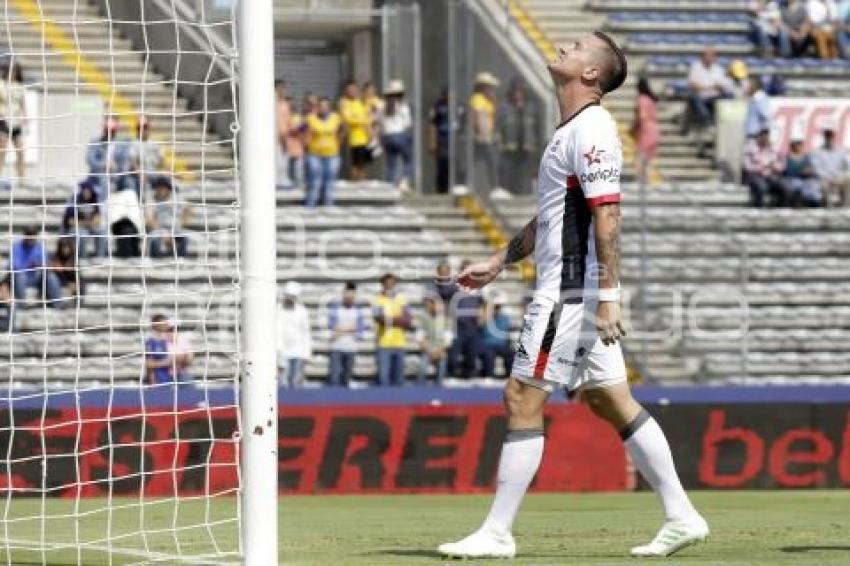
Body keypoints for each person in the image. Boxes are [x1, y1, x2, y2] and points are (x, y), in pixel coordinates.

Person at [437, 31, 707, 560]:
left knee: (521, 398)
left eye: (578, 45)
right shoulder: (572, 131)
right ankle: (682, 515)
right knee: (611, 398)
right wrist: (500, 259)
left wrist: (609, 295)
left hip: (570, 294)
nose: (565, 45)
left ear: (591, 75)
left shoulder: (593, 129)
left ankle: (496, 533)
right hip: (573, 290)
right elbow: (559, 214)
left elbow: (608, 214)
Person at [497, 80, 539, 194]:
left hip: (526, 146)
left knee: (525, 171)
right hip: (510, 146)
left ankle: (524, 192)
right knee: (510, 172)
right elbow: (499, 126)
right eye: (516, 92)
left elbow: (536, 127)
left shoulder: (531, 107)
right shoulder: (505, 107)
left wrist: (535, 143)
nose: (518, 95)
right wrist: (500, 142)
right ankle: (510, 192)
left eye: (520, 92)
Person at [447, 259, 484, 380]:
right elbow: (445, 299)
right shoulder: (454, 285)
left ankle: (468, 377)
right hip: (457, 325)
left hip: (473, 326)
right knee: (454, 354)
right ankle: (452, 375)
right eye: (465, 269)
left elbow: (483, 303)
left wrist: (482, 315)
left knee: (471, 354)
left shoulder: (478, 286)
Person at [372, 273, 411, 386]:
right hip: (384, 343)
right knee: (383, 379)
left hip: (399, 343)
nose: (390, 286)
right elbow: (378, 318)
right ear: (382, 285)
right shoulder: (378, 299)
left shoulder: (402, 299)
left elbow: (408, 320)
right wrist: (398, 319)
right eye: (387, 284)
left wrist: (389, 319)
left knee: (399, 381)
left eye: (392, 284)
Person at [9, 227, 62, 307]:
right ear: (25, 235)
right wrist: (28, 266)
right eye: (29, 235)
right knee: (20, 277)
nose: (31, 238)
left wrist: (39, 264)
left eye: (33, 235)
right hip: (20, 277)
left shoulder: (40, 247)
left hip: (36, 276)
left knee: (51, 277)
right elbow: (14, 265)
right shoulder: (16, 247)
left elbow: (46, 263)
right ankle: (21, 306)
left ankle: (58, 305)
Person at [304, 97, 342, 207]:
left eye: (326, 106)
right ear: (317, 108)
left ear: (329, 108)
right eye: (321, 106)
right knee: (315, 180)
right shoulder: (311, 118)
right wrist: (306, 141)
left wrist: (339, 141)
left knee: (330, 181)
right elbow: (302, 130)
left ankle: (328, 205)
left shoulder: (336, 118)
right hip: (315, 154)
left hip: (332, 154)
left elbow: (343, 129)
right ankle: (311, 205)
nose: (323, 108)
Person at [327, 281, 367, 387]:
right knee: (334, 378)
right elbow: (331, 327)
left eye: (351, 295)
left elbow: (360, 330)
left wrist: (342, 330)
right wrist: (349, 329)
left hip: (351, 347)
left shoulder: (358, 311)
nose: (349, 298)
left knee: (347, 377)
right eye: (347, 295)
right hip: (336, 346)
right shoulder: (336, 309)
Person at [684, 47, 730, 133]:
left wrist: (713, 87)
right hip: (701, 97)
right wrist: (711, 87)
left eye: (712, 56)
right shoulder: (696, 68)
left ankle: (728, 122)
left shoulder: (718, 69)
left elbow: (724, 85)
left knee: (729, 95)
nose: (710, 58)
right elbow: (693, 86)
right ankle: (707, 122)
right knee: (694, 97)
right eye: (708, 55)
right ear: (702, 57)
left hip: (714, 97)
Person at [276, 281, 312, 388]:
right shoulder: (277, 309)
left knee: (296, 381)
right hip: (282, 351)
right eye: (288, 296)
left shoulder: (302, 311)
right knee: (282, 382)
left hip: (298, 351)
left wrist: (307, 353)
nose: (290, 299)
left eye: (293, 297)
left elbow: (306, 332)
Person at [146, 176, 191, 258]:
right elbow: (150, 219)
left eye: (164, 186)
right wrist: (163, 233)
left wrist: (182, 223)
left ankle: (180, 260)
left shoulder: (177, 198)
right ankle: (157, 262)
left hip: (176, 229)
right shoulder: (152, 201)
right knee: (154, 240)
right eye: (159, 186)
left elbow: (188, 209)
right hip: (159, 230)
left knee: (184, 238)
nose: (162, 189)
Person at [381, 79, 413, 190]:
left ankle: (390, 187)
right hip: (400, 135)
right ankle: (404, 181)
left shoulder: (382, 106)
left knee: (391, 166)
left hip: (386, 137)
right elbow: (408, 124)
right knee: (408, 160)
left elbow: (379, 122)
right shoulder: (403, 106)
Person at [470, 72, 500, 192]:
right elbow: (478, 117)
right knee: (487, 163)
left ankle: (490, 187)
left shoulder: (488, 100)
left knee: (490, 163)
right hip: (482, 138)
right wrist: (481, 135)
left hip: (489, 137)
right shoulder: (478, 99)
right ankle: (489, 188)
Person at [61, 180, 107, 258]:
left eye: (89, 190)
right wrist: (86, 223)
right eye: (85, 190)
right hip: (74, 228)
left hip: (89, 226)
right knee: (82, 234)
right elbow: (70, 222)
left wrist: (90, 222)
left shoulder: (94, 199)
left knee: (102, 232)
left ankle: (100, 257)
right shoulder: (74, 201)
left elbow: (97, 220)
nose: (87, 193)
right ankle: (82, 258)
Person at [86, 115, 130, 193]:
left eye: (112, 130)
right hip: (99, 174)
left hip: (117, 175)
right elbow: (90, 160)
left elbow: (125, 162)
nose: (109, 133)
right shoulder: (96, 141)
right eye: (107, 130)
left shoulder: (123, 143)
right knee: (104, 181)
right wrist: (105, 164)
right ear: (104, 129)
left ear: (116, 130)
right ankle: (104, 204)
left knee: (130, 182)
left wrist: (116, 167)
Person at [743, 128, 787, 207]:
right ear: (759, 137)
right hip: (755, 176)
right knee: (762, 187)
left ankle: (778, 209)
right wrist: (761, 167)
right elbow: (747, 166)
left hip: (770, 176)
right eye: (764, 137)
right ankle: (759, 210)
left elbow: (781, 164)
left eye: (767, 137)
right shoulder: (750, 147)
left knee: (783, 187)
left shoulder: (772, 148)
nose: (766, 140)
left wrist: (775, 166)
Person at [415, 294, 451, 385]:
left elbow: (447, 340)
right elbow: (420, 338)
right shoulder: (423, 319)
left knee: (442, 363)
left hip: (440, 350)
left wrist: (439, 351)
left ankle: (439, 387)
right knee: (422, 366)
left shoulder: (447, 321)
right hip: (428, 350)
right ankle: (419, 388)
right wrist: (430, 351)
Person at [0, 61, 27, 181]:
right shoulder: (1, 84)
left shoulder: (20, 86)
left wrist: (25, 116)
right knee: (2, 149)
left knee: (20, 149)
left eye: (14, 71)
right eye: (10, 71)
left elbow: (23, 104)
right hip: (4, 119)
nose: (12, 73)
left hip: (16, 121)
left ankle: (21, 177)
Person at [339, 81, 372, 181]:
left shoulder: (361, 102)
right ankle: (355, 179)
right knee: (356, 161)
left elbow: (368, 116)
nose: (353, 91)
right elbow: (348, 119)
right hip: (354, 137)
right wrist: (361, 120)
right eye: (350, 90)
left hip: (365, 136)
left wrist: (367, 126)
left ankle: (362, 179)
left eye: (354, 89)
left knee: (363, 162)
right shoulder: (345, 103)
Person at [631, 76, 659, 186]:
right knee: (646, 163)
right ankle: (646, 185)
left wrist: (633, 128)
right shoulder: (651, 99)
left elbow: (642, 117)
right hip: (655, 130)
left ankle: (641, 187)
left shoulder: (641, 99)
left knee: (640, 161)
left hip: (646, 131)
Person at [811, 126, 850, 206]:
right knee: (823, 184)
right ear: (824, 136)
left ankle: (845, 207)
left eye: (830, 135)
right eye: (827, 135)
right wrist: (830, 178)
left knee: (848, 180)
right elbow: (818, 170)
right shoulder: (817, 152)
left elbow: (847, 166)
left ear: (834, 136)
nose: (829, 137)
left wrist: (840, 175)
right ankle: (829, 209)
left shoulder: (841, 150)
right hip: (826, 179)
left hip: (839, 177)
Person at [127, 116, 163, 199]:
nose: (143, 130)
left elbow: (162, 161)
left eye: (145, 127)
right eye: (140, 128)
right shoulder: (134, 144)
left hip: (154, 173)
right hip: (141, 174)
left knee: (168, 181)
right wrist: (140, 173)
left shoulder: (155, 144)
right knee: (140, 184)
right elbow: (133, 162)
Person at [478, 294, 513, 379]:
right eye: (495, 306)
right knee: (488, 354)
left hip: (501, 345)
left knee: (511, 353)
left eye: (498, 306)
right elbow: (480, 323)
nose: (497, 308)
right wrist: (489, 310)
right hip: (487, 344)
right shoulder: (486, 317)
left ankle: (509, 376)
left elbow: (505, 332)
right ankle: (488, 375)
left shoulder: (505, 317)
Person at [783, 136, 823, 206]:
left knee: (814, 188)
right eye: (797, 144)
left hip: (806, 179)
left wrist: (809, 171)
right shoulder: (788, 157)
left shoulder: (806, 157)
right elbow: (788, 170)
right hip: (792, 179)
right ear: (792, 145)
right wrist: (801, 171)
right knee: (797, 186)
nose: (799, 146)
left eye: (800, 144)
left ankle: (815, 207)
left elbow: (811, 168)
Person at [106, 185, 143, 257]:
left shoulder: (131, 194)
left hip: (131, 225)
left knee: (129, 231)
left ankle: (132, 255)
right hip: (118, 226)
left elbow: (135, 215)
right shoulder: (110, 198)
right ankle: (126, 255)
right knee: (126, 232)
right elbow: (112, 217)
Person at [428, 88, 453, 194]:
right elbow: (432, 125)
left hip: (456, 139)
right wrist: (432, 143)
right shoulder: (438, 107)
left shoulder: (459, 107)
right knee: (443, 164)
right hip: (442, 139)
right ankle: (442, 190)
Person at [50, 237, 83, 302]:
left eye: (67, 247)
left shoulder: (74, 258)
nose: (65, 250)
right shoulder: (55, 257)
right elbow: (56, 272)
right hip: (60, 281)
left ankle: (78, 302)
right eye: (63, 247)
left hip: (72, 281)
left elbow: (77, 275)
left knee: (81, 285)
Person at [145, 314, 175, 384]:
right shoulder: (150, 342)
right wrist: (152, 382)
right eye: (163, 323)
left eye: (166, 323)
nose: (166, 325)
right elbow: (149, 364)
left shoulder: (169, 340)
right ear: (155, 325)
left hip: (172, 378)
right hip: (158, 379)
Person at [275, 81, 293, 189]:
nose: (282, 91)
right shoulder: (271, 104)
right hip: (276, 138)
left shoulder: (285, 104)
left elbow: (287, 121)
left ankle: (282, 181)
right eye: (279, 89)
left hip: (285, 137)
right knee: (277, 162)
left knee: (284, 162)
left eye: (283, 89)